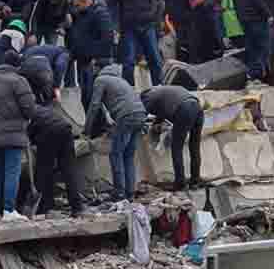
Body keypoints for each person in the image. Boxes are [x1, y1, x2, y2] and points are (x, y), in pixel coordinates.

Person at [0, 52, 37, 223]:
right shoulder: (18, 81)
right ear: (17, 66)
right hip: (13, 135)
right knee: (12, 172)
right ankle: (9, 210)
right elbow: (30, 109)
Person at [86, 63, 147, 202]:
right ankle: (130, 193)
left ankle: (119, 192)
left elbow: (94, 105)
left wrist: (87, 130)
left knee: (116, 153)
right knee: (128, 155)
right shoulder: (122, 81)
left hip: (127, 116)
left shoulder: (101, 80)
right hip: (141, 114)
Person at [109, 0, 165, 87]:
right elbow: (111, 4)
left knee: (155, 60)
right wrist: (114, 27)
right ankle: (129, 89)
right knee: (128, 62)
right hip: (129, 27)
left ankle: (159, 87)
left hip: (147, 25)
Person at [29, 93, 84, 218]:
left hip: (48, 133)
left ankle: (45, 207)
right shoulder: (44, 109)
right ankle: (77, 207)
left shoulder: (26, 113)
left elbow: (28, 135)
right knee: (69, 169)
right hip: (65, 130)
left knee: (43, 171)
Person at [141, 85, 203, 190]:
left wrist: (143, 126)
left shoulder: (148, 97)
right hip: (197, 108)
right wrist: (157, 123)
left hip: (184, 109)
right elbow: (161, 113)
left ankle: (180, 183)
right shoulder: (163, 93)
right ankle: (195, 181)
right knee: (194, 147)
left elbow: (141, 115)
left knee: (176, 148)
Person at [68, 0, 114, 111]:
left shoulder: (99, 13)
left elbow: (108, 37)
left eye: (77, 5)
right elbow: (78, 38)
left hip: (94, 62)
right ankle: (95, 126)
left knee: (92, 97)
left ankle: (98, 126)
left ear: (85, 0)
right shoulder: (80, 16)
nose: (75, 9)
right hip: (83, 62)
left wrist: (95, 57)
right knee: (86, 98)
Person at [236, 0, 273, 86]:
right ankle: (258, 77)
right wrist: (268, 14)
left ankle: (252, 77)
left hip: (246, 19)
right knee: (262, 47)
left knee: (251, 48)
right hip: (257, 19)